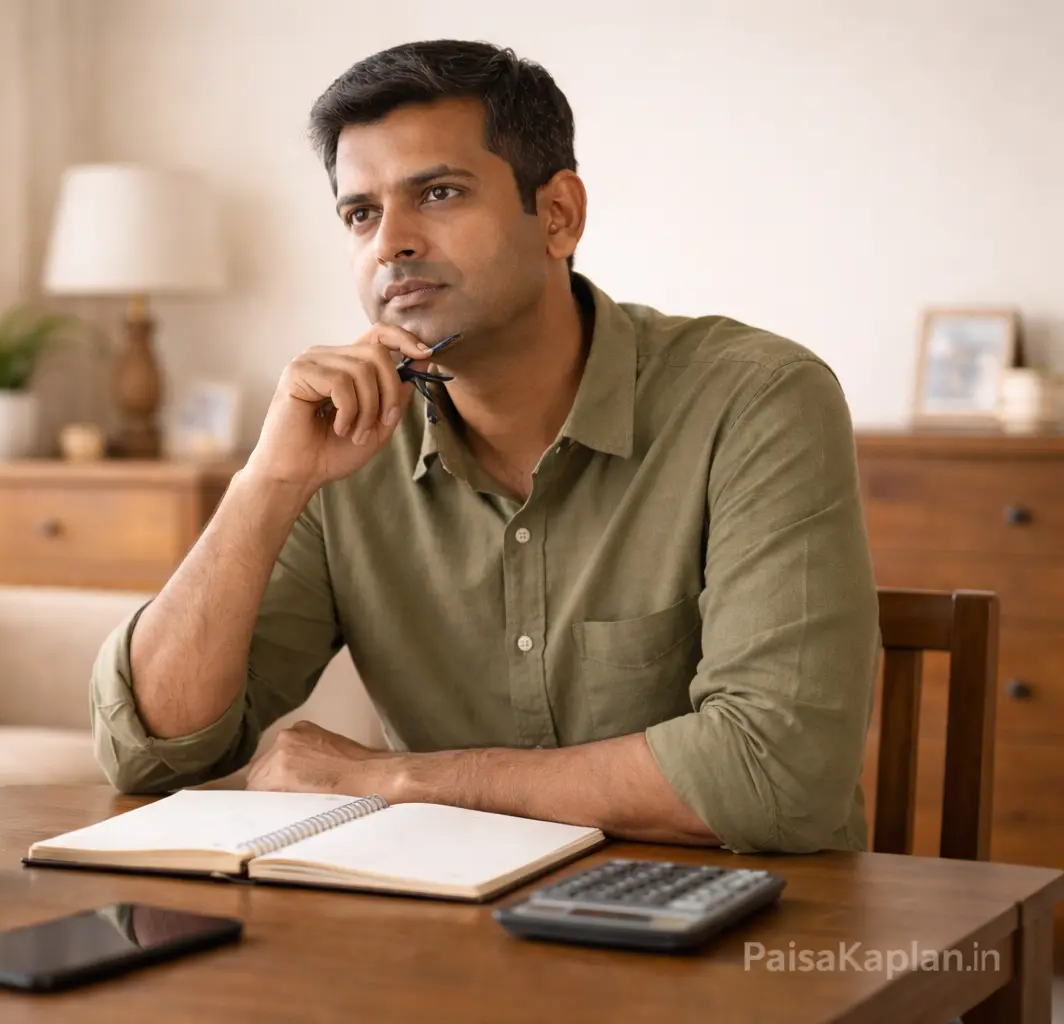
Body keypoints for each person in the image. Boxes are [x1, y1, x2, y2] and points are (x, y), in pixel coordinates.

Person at [88, 39, 880, 854]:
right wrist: (267, 483)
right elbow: (150, 750)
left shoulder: (756, 399)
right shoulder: (344, 437)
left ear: (559, 215)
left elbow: (776, 772)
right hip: (443, 913)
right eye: (360, 214)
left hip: (742, 914)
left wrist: (400, 779)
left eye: (438, 193)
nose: (389, 242)